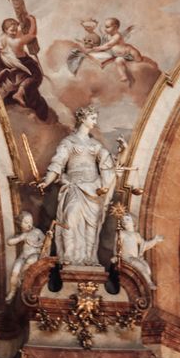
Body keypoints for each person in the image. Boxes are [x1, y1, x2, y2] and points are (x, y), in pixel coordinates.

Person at [38, 106, 115, 265]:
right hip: (74, 186)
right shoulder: (69, 142)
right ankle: (68, 256)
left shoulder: (95, 144)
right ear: (83, 119)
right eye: (92, 118)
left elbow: (107, 164)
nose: (95, 122)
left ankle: (90, 258)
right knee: (70, 218)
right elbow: (58, 163)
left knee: (91, 225)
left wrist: (122, 154)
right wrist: (46, 181)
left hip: (93, 189)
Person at [0, 16, 48, 121]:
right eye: (12, 30)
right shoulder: (17, 41)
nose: (15, 32)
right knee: (37, 76)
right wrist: (33, 21)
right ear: (5, 30)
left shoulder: (2, 38)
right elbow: (32, 35)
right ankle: (19, 93)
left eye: (16, 29)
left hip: (12, 63)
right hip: (25, 63)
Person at [5, 211, 45, 303]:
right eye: (26, 222)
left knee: (30, 260)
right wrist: (21, 238)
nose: (29, 224)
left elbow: (45, 242)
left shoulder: (37, 231)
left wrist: (39, 244)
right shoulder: (22, 235)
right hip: (23, 257)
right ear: (20, 224)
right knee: (14, 272)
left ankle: (22, 276)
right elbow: (9, 242)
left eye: (30, 221)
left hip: (34, 254)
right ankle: (12, 292)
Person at [114, 214, 163, 288]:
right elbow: (116, 246)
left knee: (146, 268)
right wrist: (115, 256)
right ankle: (149, 283)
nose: (124, 221)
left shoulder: (136, 235)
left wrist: (155, 240)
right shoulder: (122, 233)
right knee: (140, 267)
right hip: (127, 258)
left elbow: (145, 245)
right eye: (123, 220)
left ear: (133, 222)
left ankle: (146, 282)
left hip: (135, 258)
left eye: (127, 219)